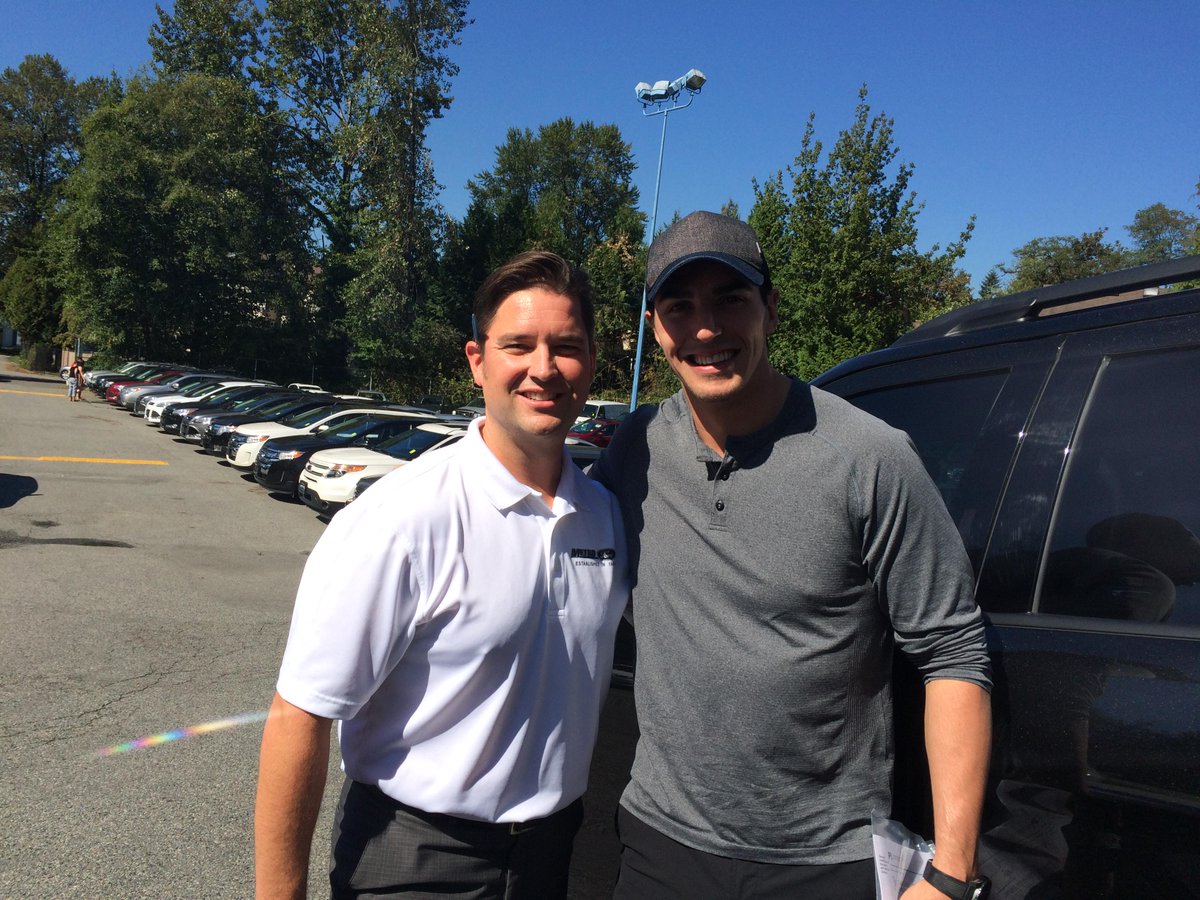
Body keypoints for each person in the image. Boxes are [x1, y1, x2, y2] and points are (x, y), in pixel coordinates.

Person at [591, 211, 993, 900]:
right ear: (656, 329)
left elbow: (954, 652)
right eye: (680, 307)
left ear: (771, 310)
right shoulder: (636, 446)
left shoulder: (869, 457)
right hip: (660, 844)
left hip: (821, 861)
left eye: (730, 300)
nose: (707, 329)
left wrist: (952, 874)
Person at [255, 250, 629, 899]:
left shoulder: (603, 516)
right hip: (418, 859)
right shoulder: (403, 518)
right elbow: (299, 716)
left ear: (592, 361)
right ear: (477, 361)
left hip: (550, 853)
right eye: (519, 345)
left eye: (566, 346)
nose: (544, 368)